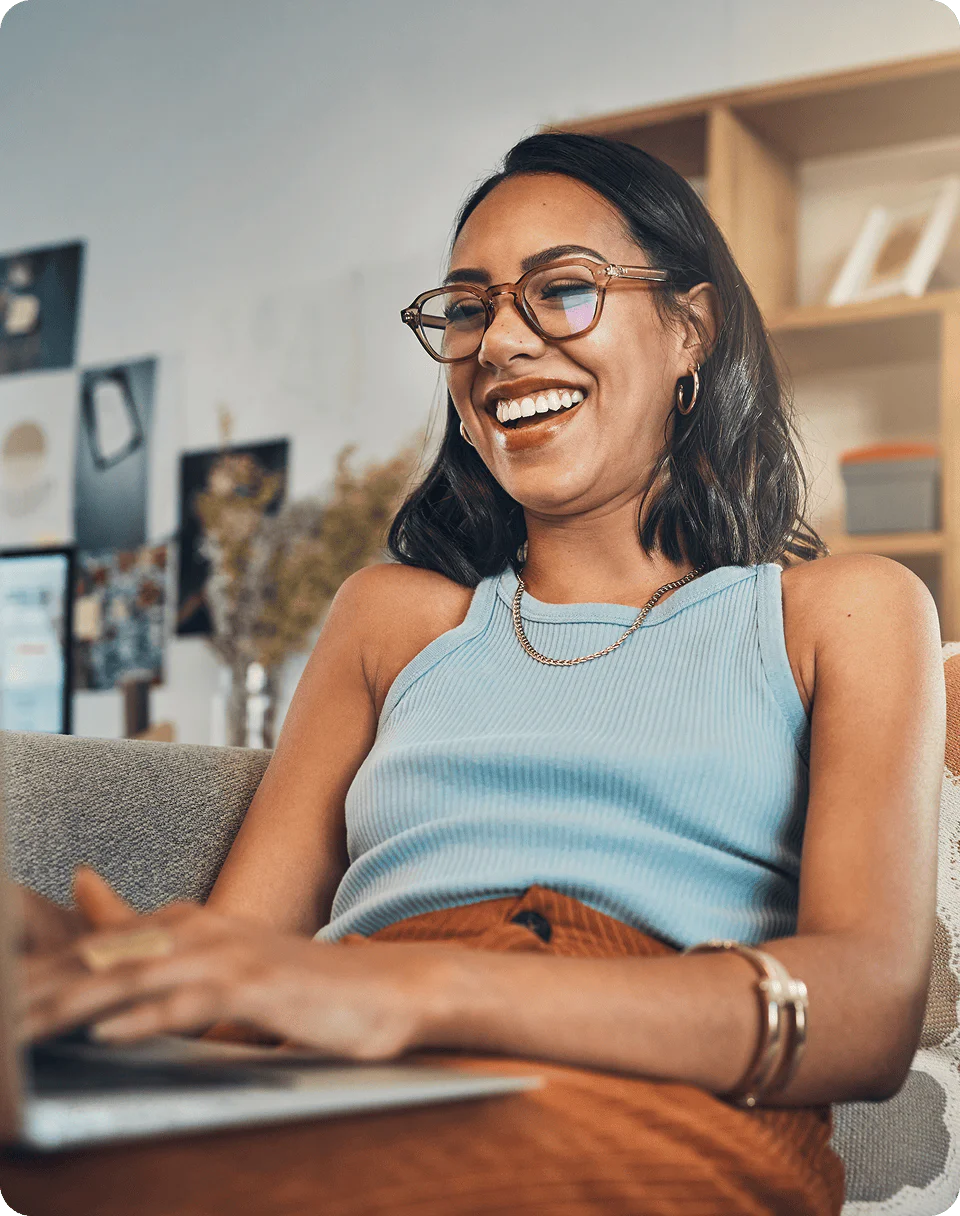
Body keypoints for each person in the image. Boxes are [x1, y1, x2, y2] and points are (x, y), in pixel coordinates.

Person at [17, 133, 946, 1215]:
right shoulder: (392, 617)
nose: (499, 342)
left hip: (656, 1090)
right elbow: (239, 973)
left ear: (690, 330)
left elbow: (867, 1014)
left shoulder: (841, 614)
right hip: (335, 1078)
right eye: (467, 310)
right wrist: (84, 976)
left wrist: (420, 990)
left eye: (562, 290)